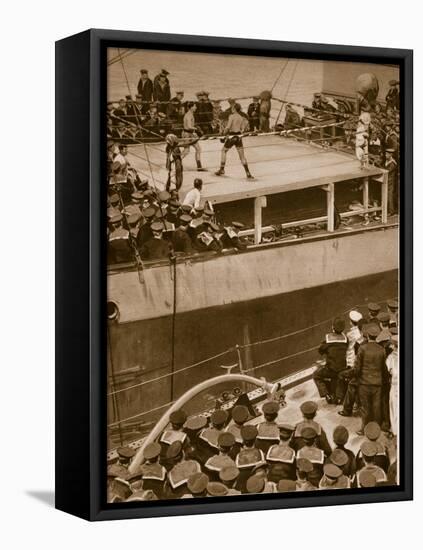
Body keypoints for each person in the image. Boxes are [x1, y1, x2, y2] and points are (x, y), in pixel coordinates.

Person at [355, 324, 387, 434]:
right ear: (376, 336)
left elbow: (357, 367)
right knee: (376, 407)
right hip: (377, 383)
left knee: (365, 407)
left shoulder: (362, 348)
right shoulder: (382, 350)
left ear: (367, 335)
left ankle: (364, 428)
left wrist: (357, 378)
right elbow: (384, 368)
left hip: (364, 382)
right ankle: (376, 428)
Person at [313, 317, 349, 404]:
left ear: (333, 327)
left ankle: (326, 394)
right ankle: (339, 397)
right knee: (338, 375)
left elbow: (320, 350)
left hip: (331, 369)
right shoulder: (346, 339)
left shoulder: (328, 340)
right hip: (343, 369)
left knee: (316, 375)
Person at [215, 103, 253, 179]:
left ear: (235, 109)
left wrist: (223, 135)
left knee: (223, 151)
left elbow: (228, 127)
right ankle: (248, 173)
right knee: (242, 156)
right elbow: (242, 129)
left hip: (232, 136)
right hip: (238, 137)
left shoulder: (231, 116)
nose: (231, 109)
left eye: (232, 108)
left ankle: (222, 169)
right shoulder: (241, 117)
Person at [181, 102, 205, 171]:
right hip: (187, 134)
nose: (196, 107)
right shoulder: (188, 115)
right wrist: (197, 129)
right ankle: (176, 162)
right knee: (186, 150)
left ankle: (199, 167)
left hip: (190, 134)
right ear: (191, 107)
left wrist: (195, 130)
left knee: (198, 149)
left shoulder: (191, 114)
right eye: (195, 106)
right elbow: (189, 126)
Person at [385, 148, 398, 215]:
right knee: (387, 195)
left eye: (387, 154)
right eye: (385, 154)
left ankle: (391, 211)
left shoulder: (392, 163)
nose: (385, 155)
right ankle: (387, 210)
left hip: (390, 181)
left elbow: (387, 171)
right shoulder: (387, 161)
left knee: (389, 195)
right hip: (387, 180)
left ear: (391, 154)